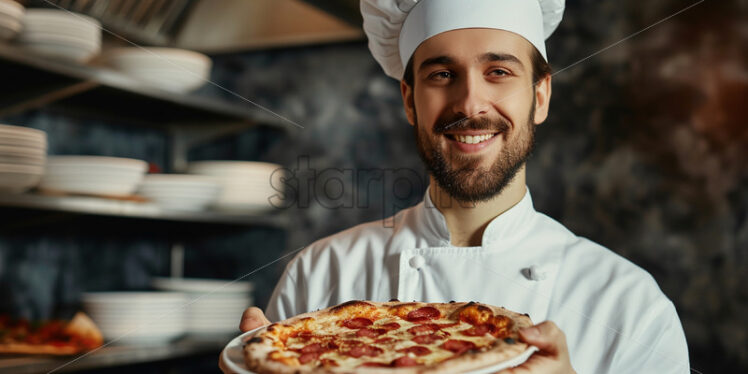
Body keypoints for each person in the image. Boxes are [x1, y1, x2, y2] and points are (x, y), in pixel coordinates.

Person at [240, 0, 690, 372]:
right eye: (441, 74)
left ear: (540, 96)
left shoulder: (629, 305)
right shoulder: (319, 274)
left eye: (498, 71)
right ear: (409, 100)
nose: (471, 103)